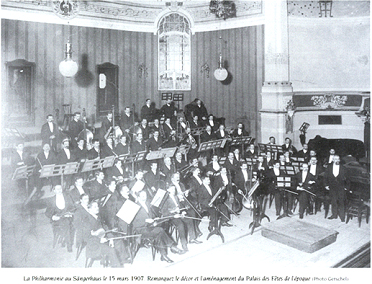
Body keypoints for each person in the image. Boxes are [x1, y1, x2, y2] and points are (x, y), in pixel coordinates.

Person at [131, 190, 183, 263]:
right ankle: (172, 246)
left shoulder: (147, 204)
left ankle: (163, 256)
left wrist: (154, 218)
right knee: (160, 230)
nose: (144, 197)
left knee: (159, 234)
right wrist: (146, 221)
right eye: (142, 196)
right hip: (141, 229)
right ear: (138, 197)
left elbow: (151, 215)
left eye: (145, 195)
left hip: (150, 226)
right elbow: (134, 223)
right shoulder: (135, 206)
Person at [83, 201, 122, 267]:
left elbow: (105, 228)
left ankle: (120, 261)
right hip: (94, 245)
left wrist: (111, 238)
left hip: (101, 239)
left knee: (119, 242)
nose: (97, 208)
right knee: (111, 250)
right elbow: (86, 238)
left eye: (97, 206)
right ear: (89, 209)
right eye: (95, 207)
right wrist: (100, 240)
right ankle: (116, 267)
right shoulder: (87, 220)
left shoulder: (97, 217)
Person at [45, 185, 75, 252]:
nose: (59, 190)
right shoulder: (51, 200)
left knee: (67, 222)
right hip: (57, 219)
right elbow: (47, 213)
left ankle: (67, 242)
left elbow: (73, 207)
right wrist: (53, 217)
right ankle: (68, 243)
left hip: (67, 216)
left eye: (60, 188)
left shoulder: (67, 197)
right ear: (54, 191)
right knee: (66, 224)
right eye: (57, 189)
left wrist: (69, 213)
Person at [324, 155, 348, 222]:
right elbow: (325, 177)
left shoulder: (343, 168)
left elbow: (348, 179)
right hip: (332, 187)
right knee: (333, 201)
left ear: (339, 160)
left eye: (338, 159)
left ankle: (342, 217)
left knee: (341, 202)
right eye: (335, 159)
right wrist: (326, 185)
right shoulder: (329, 167)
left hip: (341, 187)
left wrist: (346, 187)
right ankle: (334, 215)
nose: (336, 160)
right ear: (333, 160)